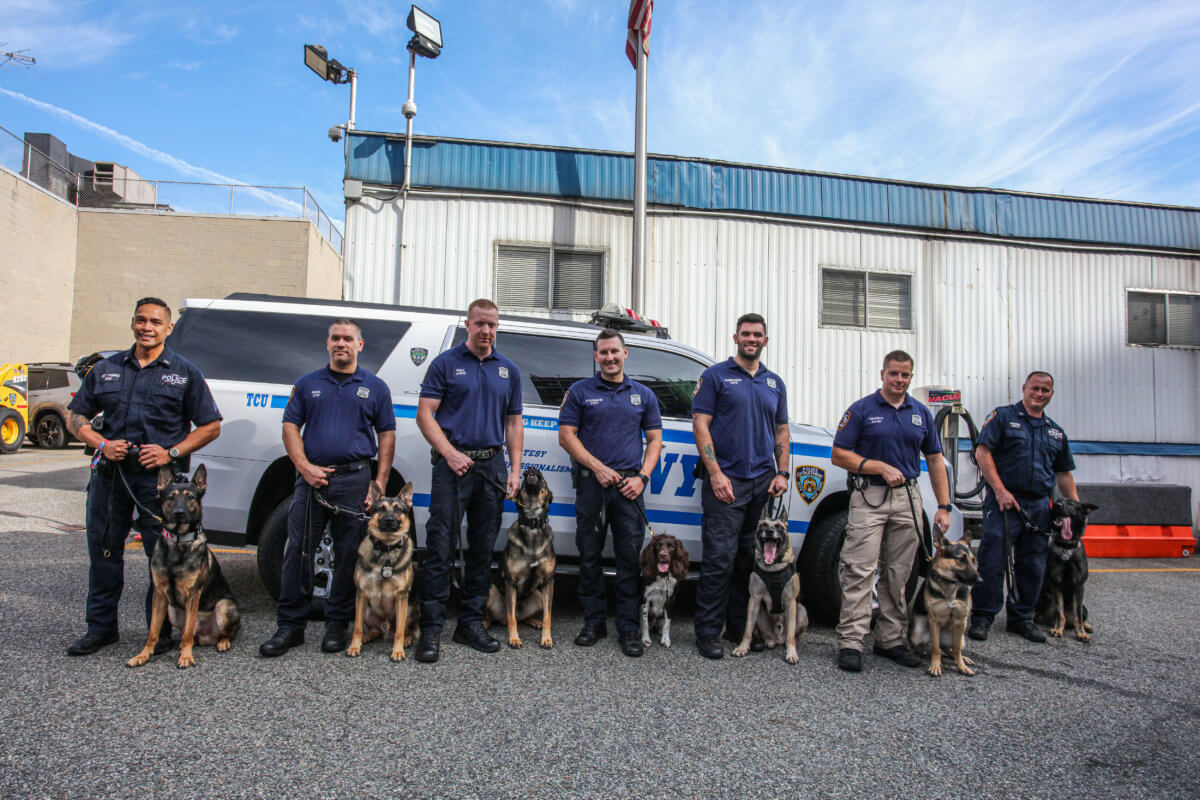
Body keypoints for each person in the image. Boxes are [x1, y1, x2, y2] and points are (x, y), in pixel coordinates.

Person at [65, 297, 222, 656]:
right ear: (133, 323)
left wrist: (171, 453)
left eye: (155, 322)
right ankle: (101, 629)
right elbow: (76, 417)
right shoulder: (105, 369)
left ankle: (161, 634)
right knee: (104, 553)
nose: (146, 327)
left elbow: (210, 426)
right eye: (140, 320)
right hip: (112, 476)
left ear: (168, 328)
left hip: (160, 485)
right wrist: (101, 444)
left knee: (163, 557)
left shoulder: (184, 373)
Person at [259, 319, 396, 657]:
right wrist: (304, 467)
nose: (341, 344)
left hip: (355, 480)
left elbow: (387, 435)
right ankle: (290, 627)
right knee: (297, 553)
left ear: (359, 345)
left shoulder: (376, 387)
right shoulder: (307, 384)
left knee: (348, 555)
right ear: (327, 343)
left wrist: (378, 482)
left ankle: (337, 626)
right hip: (312, 480)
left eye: (348, 339)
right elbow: (290, 425)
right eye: (335, 338)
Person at [413, 298, 523, 663]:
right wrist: (449, 453)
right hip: (452, 465)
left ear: (497, 327)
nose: (486, 331)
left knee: (481, 548)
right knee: (440, 546)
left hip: (491, 466)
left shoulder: (508, 370)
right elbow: (425, 415)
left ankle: (470, 624)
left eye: (492, 325)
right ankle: (430, 630)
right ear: (468, 325)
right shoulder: (445, 364)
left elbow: (513, 423)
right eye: (479, 324)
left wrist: (515, 469)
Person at [830, 350, 952, 673]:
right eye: (894, 374)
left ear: (911, 377)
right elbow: (839, 455)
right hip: (869, 496)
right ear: (882, 373)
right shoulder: (862, 410)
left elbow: (936, 460)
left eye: (905, 375)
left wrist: (943, 505)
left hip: (908, 498)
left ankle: (889, 640)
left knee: (899, 573)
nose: (899, 380)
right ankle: (851, 642)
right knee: (859, 569)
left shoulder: (921, 414)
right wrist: (878, 467)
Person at [559, 328, 664, 658]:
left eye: (614, 351)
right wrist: (598, 467)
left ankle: (629, 626)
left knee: (630, 560)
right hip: (592, 485)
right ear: (595, 356)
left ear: (625, 353)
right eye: (602, 352)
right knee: (589, 555)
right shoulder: (580, 391)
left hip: (630, 488)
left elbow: (655, 440)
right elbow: (566, 436)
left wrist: (643, 477)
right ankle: (594, 621)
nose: (609, 357)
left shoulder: (643, 395)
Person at [691, 313, 790, 660]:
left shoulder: (774, 383)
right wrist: (715, 473)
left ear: (765, 340)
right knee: (719, 559)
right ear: (736, 337)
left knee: (749, 562)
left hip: (762, 482)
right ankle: (707, 631)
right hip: (726, 482)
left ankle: (737, 627)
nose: (752, 339)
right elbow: (700, 423)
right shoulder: (715, 376)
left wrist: (783, 473)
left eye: (758, 334)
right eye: (746, 333)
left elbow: (781, 431)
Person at [968, 371, 1078, 643]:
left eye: (1045, 390)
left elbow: (1063, 473)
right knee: (992, 561)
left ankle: (1021, 618)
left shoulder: (1055, 431)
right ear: (1024, 389)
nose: (1039, 394)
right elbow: (983, 453)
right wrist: (1000, 490)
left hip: (1040, 505)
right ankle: (982, 617)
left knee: (1033, 564)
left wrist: (1074, 510)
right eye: (1035, 388)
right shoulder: (1003, 418)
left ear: (1051, 394)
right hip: (1005, 502)